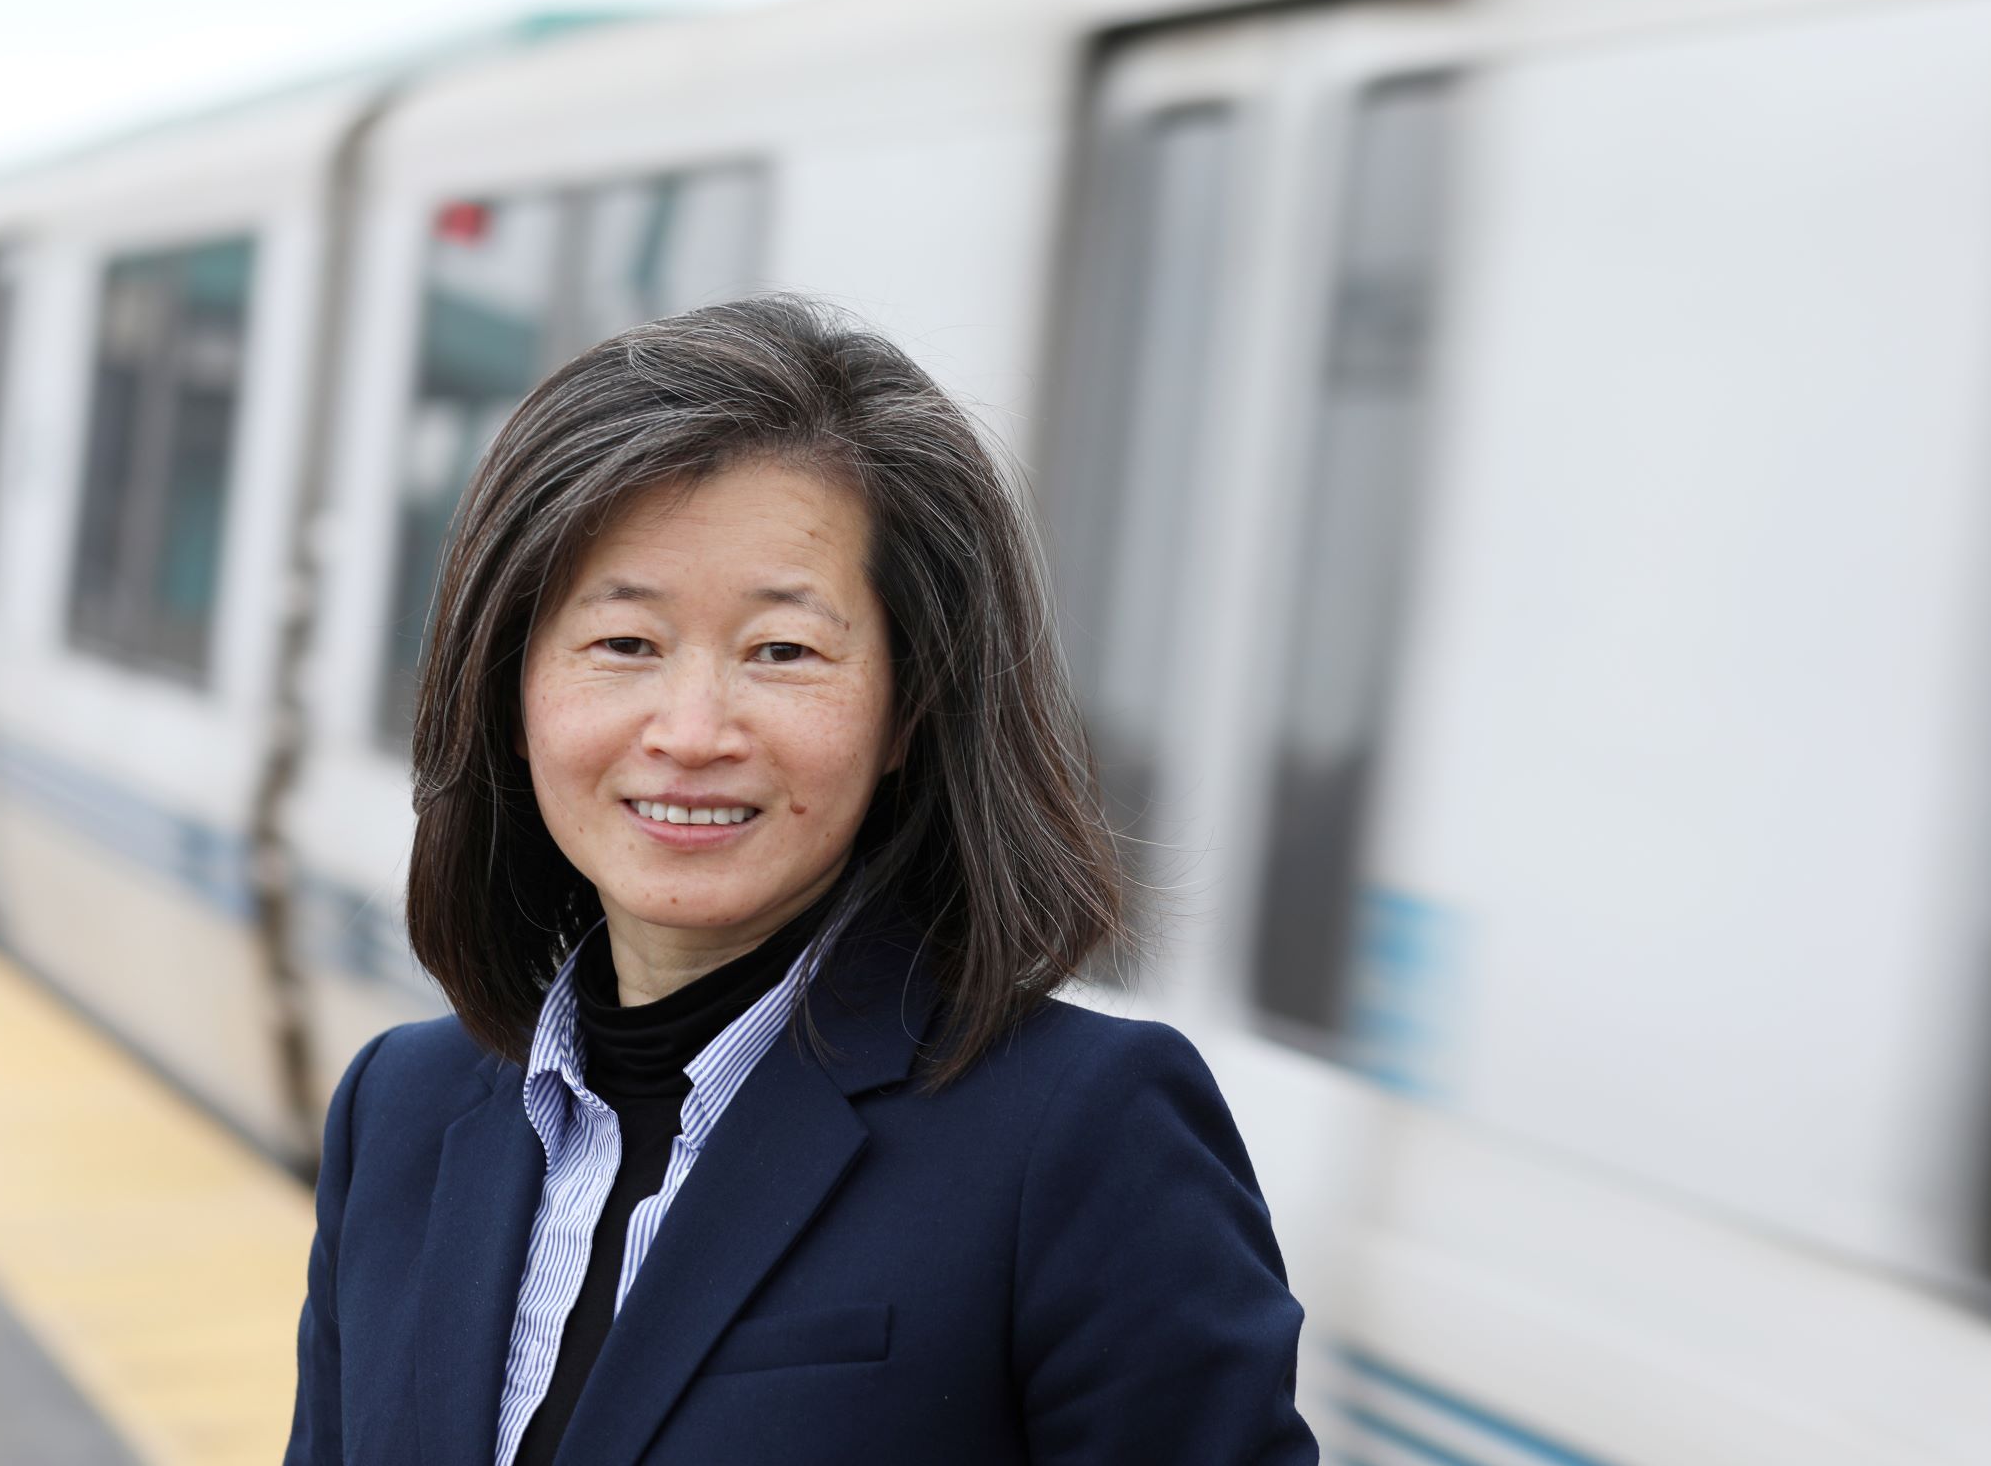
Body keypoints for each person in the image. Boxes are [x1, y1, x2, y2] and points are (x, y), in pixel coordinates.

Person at [284, 295, 1317, 1465]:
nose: (691, 729)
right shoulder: (402, 1109)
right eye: (624, 643)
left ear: (905, 712)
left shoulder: (1080, 1135)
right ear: (509, 689)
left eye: (783, 651)